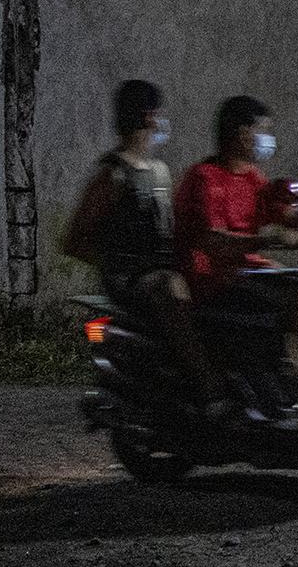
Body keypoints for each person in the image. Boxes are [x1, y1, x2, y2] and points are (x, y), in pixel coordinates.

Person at [63, 80, 238, 420]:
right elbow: (74, 240)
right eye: (160, 116)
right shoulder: (112, 176)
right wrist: (119, 263)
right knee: (168, 286)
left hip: (164, 268)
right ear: (147, 117)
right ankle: (210, 389)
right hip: (133, 279)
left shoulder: (160, 171)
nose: (163, 124)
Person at [173, 96, 298, 421]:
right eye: (263, 131)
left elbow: (283, 212)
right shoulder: (204, 179)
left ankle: (287, 378)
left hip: (246, 274)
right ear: (242, 133)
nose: (268, 140)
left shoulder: (252, 177)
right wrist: (267, 238)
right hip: (212, 281)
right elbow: (213, 241)